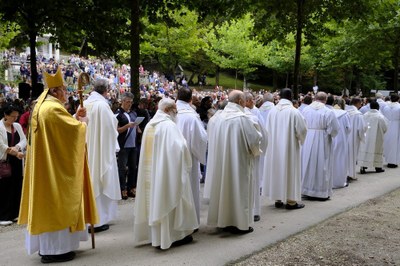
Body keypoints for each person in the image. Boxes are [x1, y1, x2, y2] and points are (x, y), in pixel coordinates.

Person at [18, 67, 98, 263]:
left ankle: (49, 247)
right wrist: (83, 123)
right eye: (63, 89)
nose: (66, 93)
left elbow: (59, 131)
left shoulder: (41, 105)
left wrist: (74, 117)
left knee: (47, 203)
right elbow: (70, 133)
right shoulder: (52, 108)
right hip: (54, 169)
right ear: (55, 91)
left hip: (45, 165)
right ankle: (57, 250)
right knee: (57, 202)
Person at [133, 98, 198, 250]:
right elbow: (179, 149)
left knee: (153, 201)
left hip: (153, 175)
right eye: (175, 110)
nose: (177, 113)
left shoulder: (150, 125)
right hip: (166, 175)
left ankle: (155, 236)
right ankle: (173, 236)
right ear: (169, 110)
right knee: (169, 199)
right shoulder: (168, 126)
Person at [206, 90, 262, 234]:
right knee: (239, 189)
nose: (245, 103)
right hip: (239, 161)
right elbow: (254, 140)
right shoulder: (242, 119)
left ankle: (223, 220)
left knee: (224, 188)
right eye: (244, 100)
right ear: (239, 101)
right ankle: (239, 223)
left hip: (222, 161)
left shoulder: (218, 118)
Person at [84, 79, 121, 233]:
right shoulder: (102, 106)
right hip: (101, 150)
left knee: (90, 181)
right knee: (100, 180)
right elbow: (110, 128)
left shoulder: (84, 103)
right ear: (105, 90)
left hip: (87, 149)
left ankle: (90, 218)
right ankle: (99, 219)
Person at [262, 88, 307, 209]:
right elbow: (302, 130)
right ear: (291, 97)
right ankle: (291, 201)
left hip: (274, 147)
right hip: (289, 147)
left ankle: (278, 198)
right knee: (290, 170)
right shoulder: (294, 112)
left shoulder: (272, 111)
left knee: (277, 170)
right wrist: (300, 139)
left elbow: (267, 129)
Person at [176, 87, 207, 224]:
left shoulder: (169, 112)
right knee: (190, 188)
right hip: (189, 157)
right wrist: (202, 155)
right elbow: (200, 139)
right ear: (190, 99)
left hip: (172, 158)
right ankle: (191, 221)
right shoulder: (191, 116)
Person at [301, 92, 339, 201]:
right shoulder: (328, 111)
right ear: (325, 100)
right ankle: (321, 192)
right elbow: (334, 129)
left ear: (315, 98)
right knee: (322, 164)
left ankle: (306, 190)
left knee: (308, 164)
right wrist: (330, 133)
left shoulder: (306, 110)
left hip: (308, 138)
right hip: (322, 139)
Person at [0, 104, 26, 226]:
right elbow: (1, 146)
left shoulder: (17, 126)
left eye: (16, 116)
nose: (14, 119)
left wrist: (18, 147)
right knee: (5, 187)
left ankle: (15, 213)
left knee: (17, 185)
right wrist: (14, 152)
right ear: (5, 115)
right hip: (5, 161)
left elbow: (23, 139)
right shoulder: (0, 127)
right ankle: (3, 215)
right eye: (12, 116)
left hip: (16, 161)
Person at [244, 92, 267, 221]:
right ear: (244, 101)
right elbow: (262, 134)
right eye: (251, 99)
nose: (253, 101)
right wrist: (261, 148)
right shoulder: (251, 116)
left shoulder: (223, 116)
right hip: (252, 153)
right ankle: (253, 211)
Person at [115, 92, 139, 199]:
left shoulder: (133, 113)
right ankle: (122, 189)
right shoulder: (118, 114)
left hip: (133, 145)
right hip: (123, 145)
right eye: (127, 102)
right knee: (122, 168)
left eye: (131, 102)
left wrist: (137, 127)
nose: (129, 104)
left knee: (133, 168)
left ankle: (131, 188)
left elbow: (136, 128)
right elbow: (116, 130)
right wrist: (127, 126)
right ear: (122, 102)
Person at [358, 100, 388, 174]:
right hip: (377, 137)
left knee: (365, 149)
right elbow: (385, 127)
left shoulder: (365, 115)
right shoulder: (380, 117)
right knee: (377, 150)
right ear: (378, 107)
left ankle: (363, 166)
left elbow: (361, 126)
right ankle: (378, 167)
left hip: (366, 137)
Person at [331, 98, 351, 188]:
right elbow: (349, 128)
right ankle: (340, 181)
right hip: (342, 139)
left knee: (330, 160)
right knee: (340, 160)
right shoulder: (345, 114)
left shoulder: (329, 112)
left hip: (331, 138)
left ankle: (330, 181)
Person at [346, 97, 367, 180]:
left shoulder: (344, 111)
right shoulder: (358, 114)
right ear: (358, 103)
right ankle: (350, 174)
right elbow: (361, 128)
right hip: (353, 138)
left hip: (344, 137)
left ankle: (343, 173)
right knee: (352, 156)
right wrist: (363, 134)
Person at [382, 93, 400, 168]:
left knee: (388, 142)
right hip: (397, 125)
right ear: (398, 99)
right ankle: (393, 161)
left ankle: (389, 160)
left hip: (388, 125)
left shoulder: (386, 107)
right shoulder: (399, 107)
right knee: (395, 144)